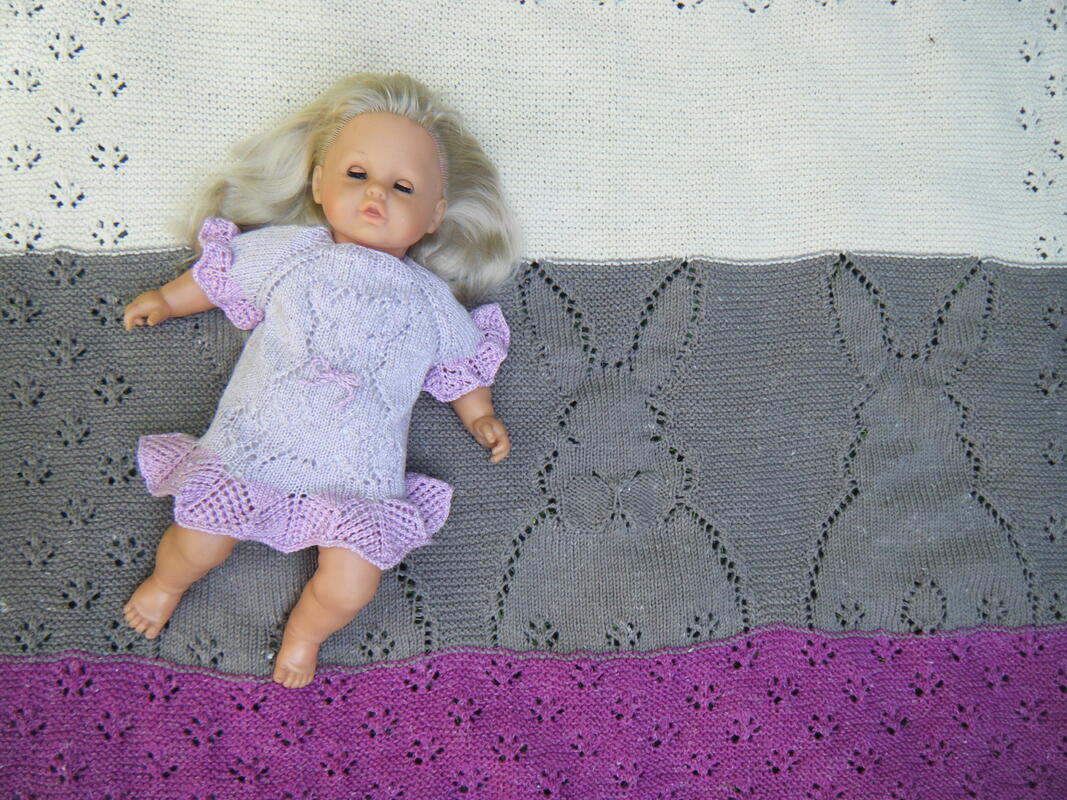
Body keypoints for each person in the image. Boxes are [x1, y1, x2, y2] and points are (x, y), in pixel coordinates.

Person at [122, 73, 518, 688]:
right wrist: (169, 300)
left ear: (434, 215)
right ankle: (165, 584)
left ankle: (304, 636)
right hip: (255, 445)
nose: (376, 193)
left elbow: (462, 363)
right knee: (197, 539)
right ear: (317, 183)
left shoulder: (432, 302)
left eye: (403, 186)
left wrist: (480, 413)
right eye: (357, 174)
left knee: (352, 583)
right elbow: (222, 276)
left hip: (357, 474)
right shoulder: (292, 252)